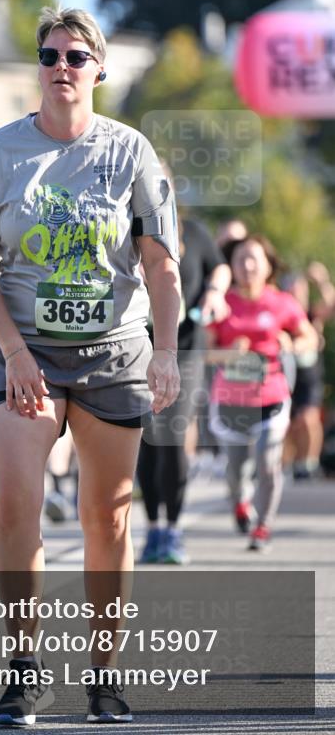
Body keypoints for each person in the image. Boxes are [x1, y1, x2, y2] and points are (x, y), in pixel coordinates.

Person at [0, 7, 181, 725]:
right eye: (50, 55)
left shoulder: (131, 152)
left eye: (76, 57)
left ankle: (105, 674)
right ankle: (24, 670)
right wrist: (14, 351)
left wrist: (167, 351)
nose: (61, 66)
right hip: (24, 349)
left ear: (98, 70)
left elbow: (160, 266)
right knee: (13, 505)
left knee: (106, 518)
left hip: (114, 349)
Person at [206, 234, 318, 551]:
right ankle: (240, 503)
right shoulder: (223, 303)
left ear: (268, 266)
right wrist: (229, 353)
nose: (247, 265)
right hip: (230, 400)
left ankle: (263, 526)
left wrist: (292, 343)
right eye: (240, 259)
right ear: (232, 265)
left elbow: (310, 338)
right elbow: (205, 352)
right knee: (235, 470)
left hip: (271, 395)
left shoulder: (282, 302)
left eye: (254, 259)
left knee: (268, 462)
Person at [137, 207, 230, 565]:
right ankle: (153, 528)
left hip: (186, 350)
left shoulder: (193, 232)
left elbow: (219, 266)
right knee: (147, 438)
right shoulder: (125, 232)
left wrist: (215, 291)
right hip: (137, 350)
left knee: (173, 434)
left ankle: (173, 529)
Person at [282, 262, 334, 480]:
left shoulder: (311, 314)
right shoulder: (282, 315)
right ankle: (289, 463)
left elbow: (331, 306)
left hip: (309, 377)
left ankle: (309, 462)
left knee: (308, 418)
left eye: (300, 289)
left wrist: (322, 281)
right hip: (286, 376)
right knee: (288, 424)